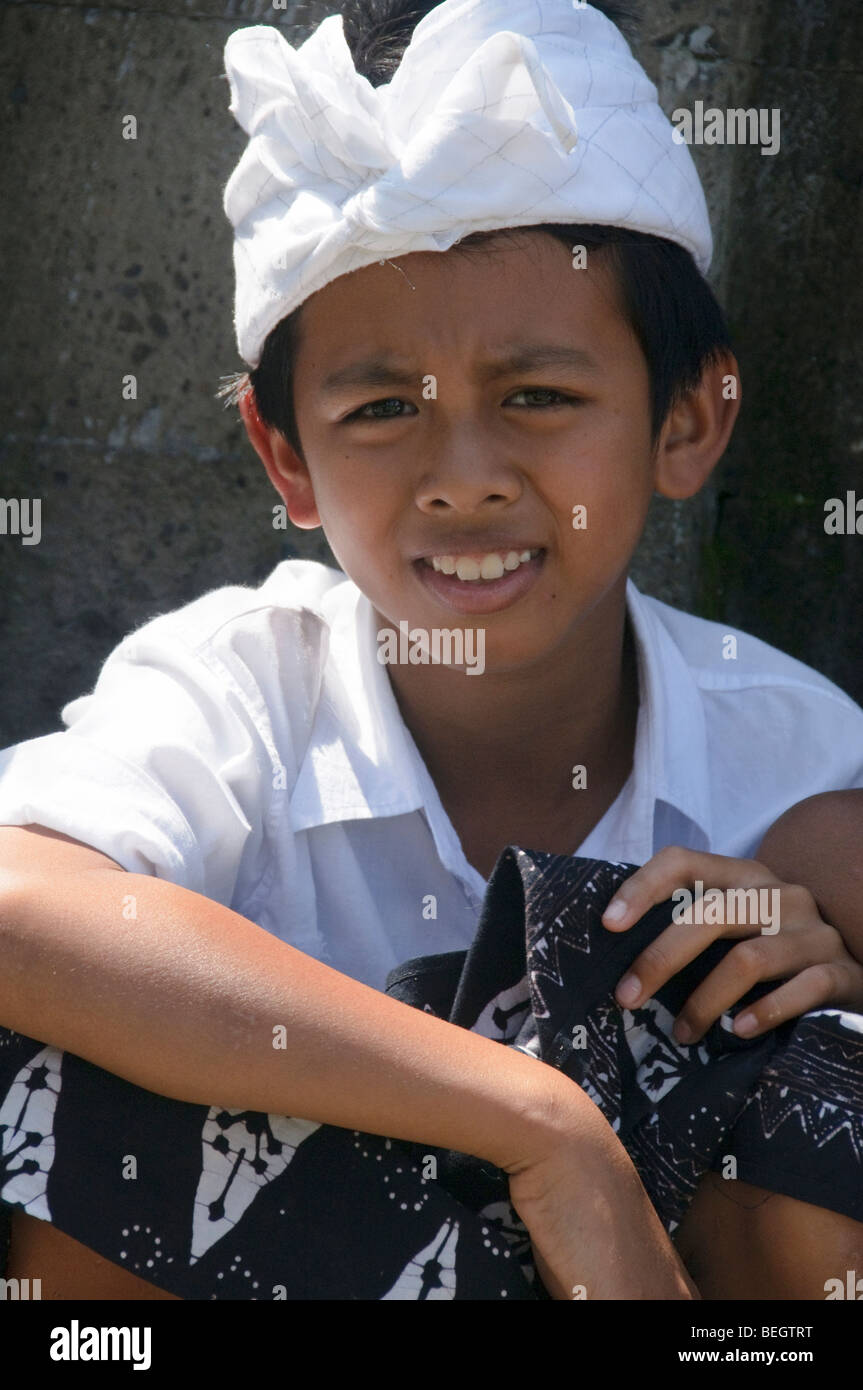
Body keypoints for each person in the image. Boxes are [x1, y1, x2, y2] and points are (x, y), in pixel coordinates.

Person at [1, 0, 862, 1300]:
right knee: (57, 1083)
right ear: (284, 457)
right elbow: (18, 905)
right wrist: (535, 1121)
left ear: (689, 419)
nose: (463, 480)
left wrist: (820, 960)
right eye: (382, 408)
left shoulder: (787, 759)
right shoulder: (243, 687)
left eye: (539, 397)